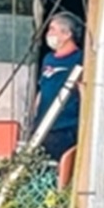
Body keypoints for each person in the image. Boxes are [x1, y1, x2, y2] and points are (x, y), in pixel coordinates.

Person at [35, 12, 84, 161]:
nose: (48, 34)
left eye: (52, 29)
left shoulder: (80, 58)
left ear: (66, 34)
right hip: (42, 127)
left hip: (65, 127)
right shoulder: (48, 59)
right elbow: (42, 89)